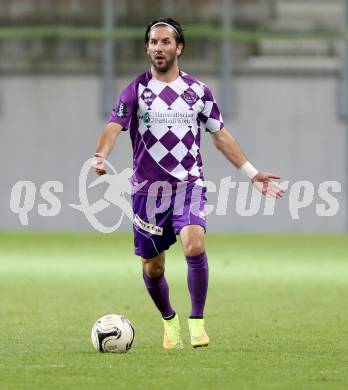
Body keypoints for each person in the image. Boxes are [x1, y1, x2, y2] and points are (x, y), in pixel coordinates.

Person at [91, 17, 285, 350]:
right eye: (153, 42)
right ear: (147, 48)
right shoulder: (135, 90)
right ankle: (170, 321)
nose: (158, 47)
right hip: (147, 194)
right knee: (153, 268)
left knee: (194, 244)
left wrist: (252, 173)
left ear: (179, 47)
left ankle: (197, 323)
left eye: (165, 42)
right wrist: (99, 156)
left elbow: (220, 136)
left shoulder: (198, 92)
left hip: (187, 185)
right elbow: (113, 127)